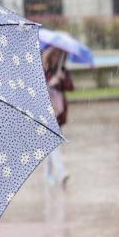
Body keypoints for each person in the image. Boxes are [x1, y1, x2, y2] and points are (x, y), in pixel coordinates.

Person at [42, 46, 74, 186]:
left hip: (58, 114)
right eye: (53, 54)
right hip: (46, 114)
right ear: (49, 56)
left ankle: (48, 174)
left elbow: (71, 87)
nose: (56, 57)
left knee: (52, 145)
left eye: (58, 54)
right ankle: (61, 174)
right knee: (54, 144)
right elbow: (40, 91)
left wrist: (62, 78)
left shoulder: (62, 70)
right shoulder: (44, 72)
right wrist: (51, 83)